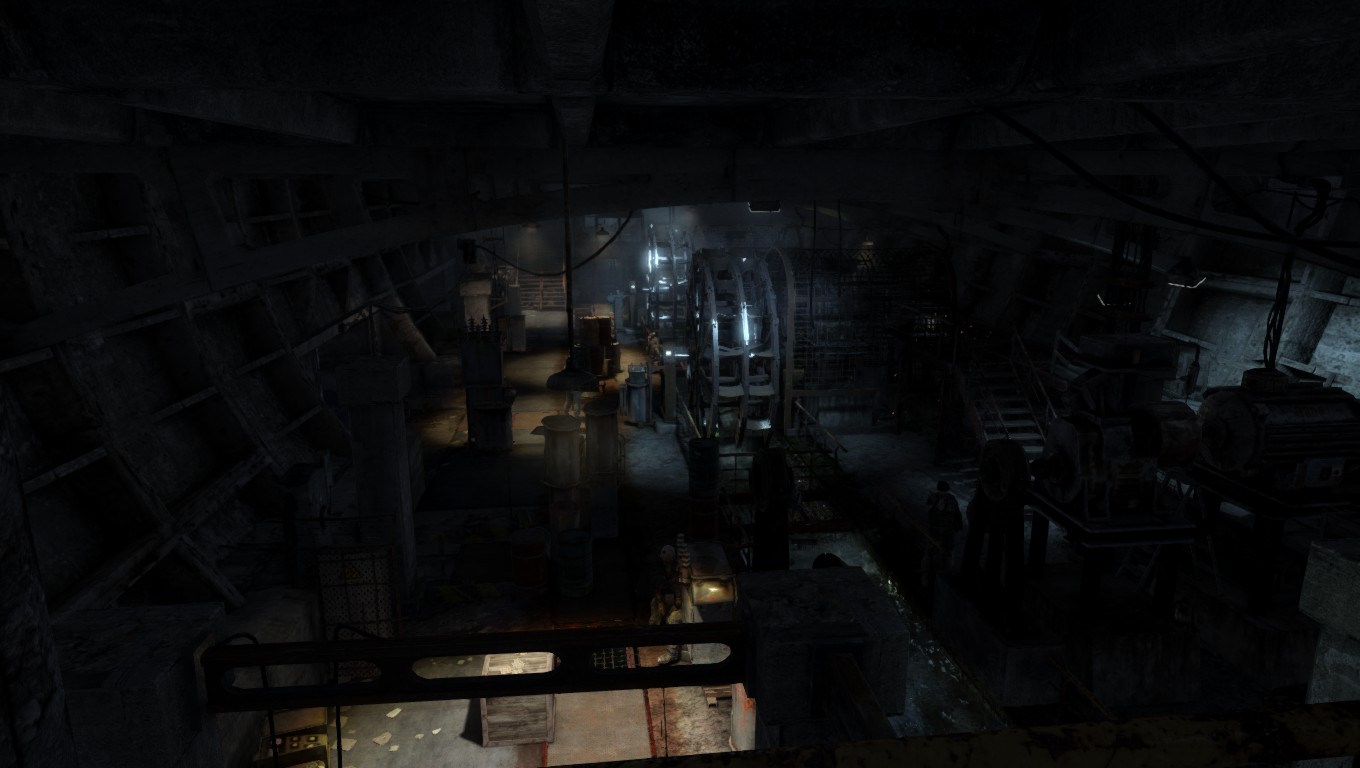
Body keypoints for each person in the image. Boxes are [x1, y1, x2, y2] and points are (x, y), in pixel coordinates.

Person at [923, 480, 963, 578]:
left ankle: (947, 570)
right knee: (931, 549)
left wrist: (958, 526)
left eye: (945, 491)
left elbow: (957, 513)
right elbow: (928, 512)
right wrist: (935, 508)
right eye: (942, 491)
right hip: (935, 529)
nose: (943, 493)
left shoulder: (951, 499)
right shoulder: (933, 498)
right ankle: (928, 569)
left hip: (948, 529)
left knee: (949, 550)